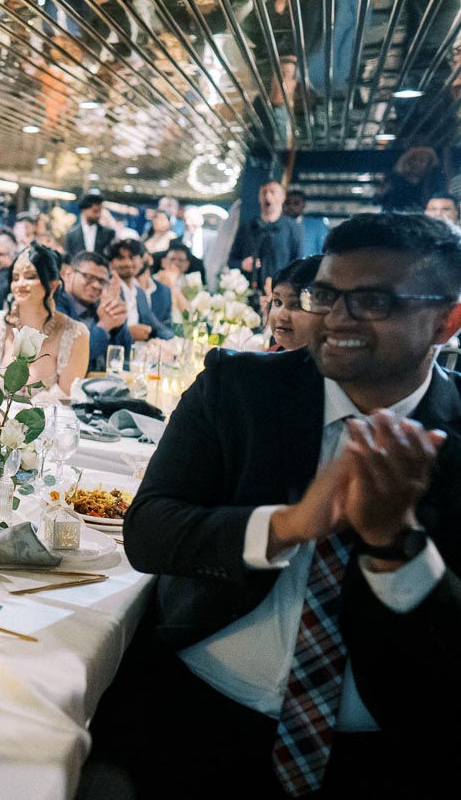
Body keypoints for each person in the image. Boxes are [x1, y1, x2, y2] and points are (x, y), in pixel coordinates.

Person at [92, 213, 461, 797]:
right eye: (327, 294)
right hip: (196, 706)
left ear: (446, 320)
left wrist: (396, 546)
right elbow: (149, 531)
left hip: (380, 750)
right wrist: (286, 525)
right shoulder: (237, 388)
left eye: (371, 301)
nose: (335, 320)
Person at [0, 244, 89, 427]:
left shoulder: (75, 334)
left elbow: (66, 402)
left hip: (47, 430)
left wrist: (29, 438)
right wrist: (7, 434)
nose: (20, 284)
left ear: (53, 285)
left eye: (30, 277)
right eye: (15, 278)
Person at [60, 250, 133, 372]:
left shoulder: (100, 308)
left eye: (102, 281)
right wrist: (104, 326)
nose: (96, 286)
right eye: (89, 277)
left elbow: (127, 357)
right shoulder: (57, 307)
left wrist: (118, 325)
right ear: (69, 275)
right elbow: (73, 359)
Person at [228, 181, 303, 296]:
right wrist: (243, 264)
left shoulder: (292, 228)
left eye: (273, 192)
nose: (267, 196)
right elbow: (231, 261)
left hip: (279, 296)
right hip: (249, 295)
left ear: (283, 197)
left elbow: (298, 264)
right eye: (264, 192)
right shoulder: (248, 227)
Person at [106, 238, 174, 342]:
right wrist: (129, 333)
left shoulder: (139, 292)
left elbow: (155, 325)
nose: (128, 263)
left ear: (141, 262)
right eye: (121, 258)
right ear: (111, 264)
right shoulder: (107, 290)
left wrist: (175, 340)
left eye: (132, 258)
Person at [266, 255, 322, 352]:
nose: (280, 316)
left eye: (296, 305)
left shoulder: (332, 366)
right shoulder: (270, 356)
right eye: (278, 302)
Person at [63, 190, 116, 258]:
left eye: (100, 211)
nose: (98, 215)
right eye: (95, 211)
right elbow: (68, 258)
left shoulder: (109, 233)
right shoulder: (71, 235)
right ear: (84, 210)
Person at [284, 190, 329, 256]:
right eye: (287, 203)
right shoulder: (274, 226)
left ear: (303, 205)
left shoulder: (317, 226)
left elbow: (324, 252)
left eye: (296, 203)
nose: (291, 206)